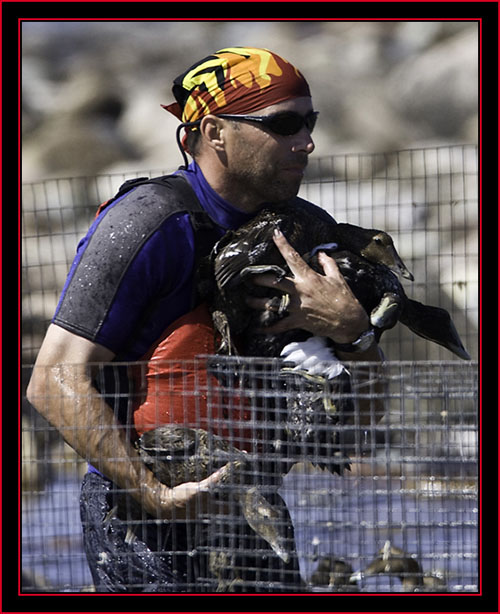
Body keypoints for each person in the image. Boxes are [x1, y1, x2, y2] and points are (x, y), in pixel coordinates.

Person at [27, 47, 384, 593]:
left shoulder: (304, 231)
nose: (307, 141)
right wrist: (154, 495)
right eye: (283, 124)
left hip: (257, 501)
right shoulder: (146, 225)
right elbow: (52, 381)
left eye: (309, 122)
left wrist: (354, 333)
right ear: (214, 131)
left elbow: (368, 422)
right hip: (141, 512)